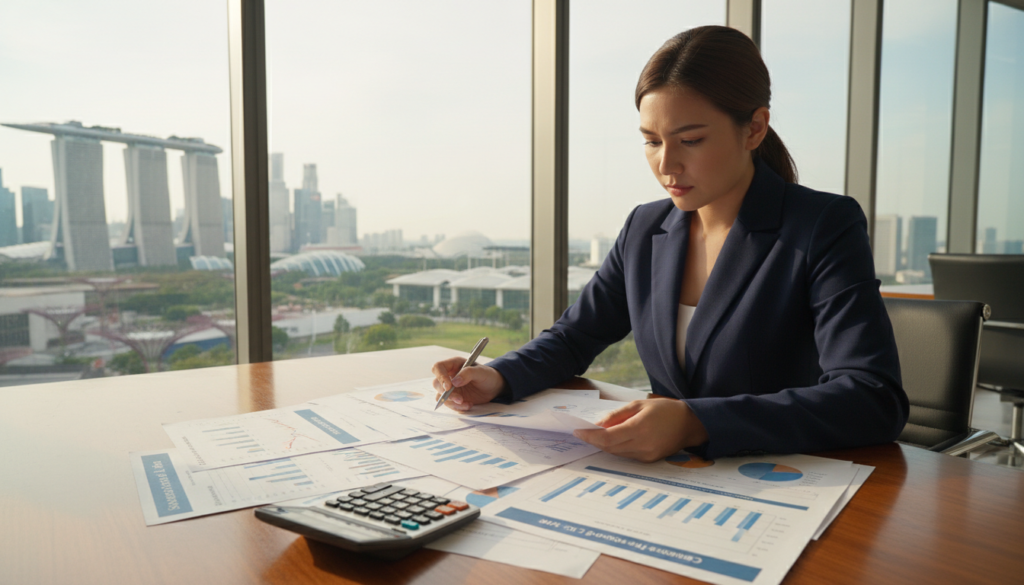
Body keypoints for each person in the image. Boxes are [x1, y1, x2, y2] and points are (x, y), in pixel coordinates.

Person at [431, 26, 907, 463]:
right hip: (669, 478)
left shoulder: (821, 225)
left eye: (691, 140)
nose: (666, 165)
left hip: (781, 478)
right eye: (651, 141)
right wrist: (499, 376)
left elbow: (872, 397)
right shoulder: (646, 228)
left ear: (755, 129)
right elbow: (575, 337)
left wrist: (696, 422)